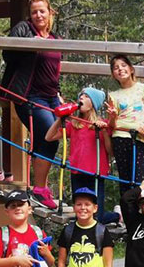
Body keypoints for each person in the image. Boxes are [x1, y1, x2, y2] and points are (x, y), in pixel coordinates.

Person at [0, 0, 64, 209]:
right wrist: (29, 44)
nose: (38, 15)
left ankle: (40, 189)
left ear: (50, 12)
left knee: (55, 135)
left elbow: (55, 71)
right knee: (48, 130)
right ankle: (38, 189)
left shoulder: (55, 39)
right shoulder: (24, 29)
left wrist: (59, 94)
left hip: (51, 96)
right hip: (28, 95)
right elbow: (7, 53)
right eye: (34, 11)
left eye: (42, 11)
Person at [45, 88, 113, 219]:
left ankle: (115, 216)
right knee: (80, 213)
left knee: (96, 215)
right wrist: (60, 119)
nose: (81, 98)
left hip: (96, 173)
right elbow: (49, 137)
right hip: (76, 172)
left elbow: (110, 151)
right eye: (81, 95)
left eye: (86, 96)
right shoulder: (74, 124)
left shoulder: (102, 124)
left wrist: (104, 131)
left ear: (93, 103)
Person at [103, 55, 144, 192]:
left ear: (131, 69)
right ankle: (126, 211)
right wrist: (113, 116)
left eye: (123, 65)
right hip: (119, 137)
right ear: (113, 75)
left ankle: (138, 211)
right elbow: (112, 125)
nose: (120, 69)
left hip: (139, 138)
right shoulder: (113, 95)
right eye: (116, 68)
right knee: (124, 179)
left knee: (138, 180)